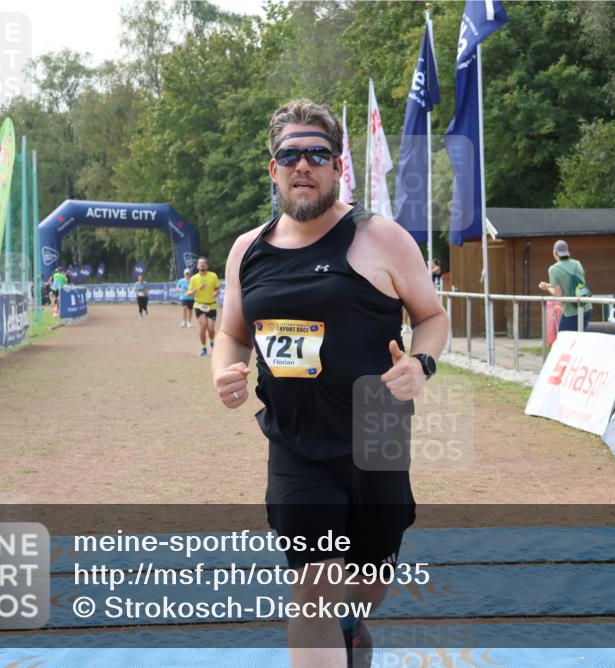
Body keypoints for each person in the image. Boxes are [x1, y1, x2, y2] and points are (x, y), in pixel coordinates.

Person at [211, 99, 448, 668]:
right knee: (313, 587)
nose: (303, 165)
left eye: (317, 154)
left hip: (377, 431)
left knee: (370, 573)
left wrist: (421, 365)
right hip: (296, 441)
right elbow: (231, 332)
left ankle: (356, 627)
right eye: (289, 154)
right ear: (273, 168)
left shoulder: (381, 237)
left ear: (338, 166)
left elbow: (432, 318)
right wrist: (224, 368)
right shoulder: (248, 250)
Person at [539, 239, 592, 332]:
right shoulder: (577, 263)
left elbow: (558, 295)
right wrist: (548, 285)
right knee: (579, 339)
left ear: (555, 252)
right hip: (586, 308)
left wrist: (547, 289)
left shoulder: (553, 269)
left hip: (571, 311)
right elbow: (575, 283)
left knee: (563, 339)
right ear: (567, 252)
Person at [186, 257, 219, 356]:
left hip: (211, 305)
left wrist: (216, 293)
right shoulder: (194, 278)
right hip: (199, 305)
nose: (202, 265)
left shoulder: (213, 276)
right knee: (203, 325)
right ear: (197, 266)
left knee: (211, 328)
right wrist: (194, 291)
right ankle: (204, 348)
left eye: (204, 263)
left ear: (207, 266)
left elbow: (217, 289)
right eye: (200, 263)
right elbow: (188, 293)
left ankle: (212, 340)